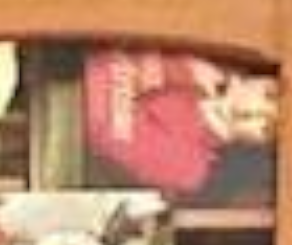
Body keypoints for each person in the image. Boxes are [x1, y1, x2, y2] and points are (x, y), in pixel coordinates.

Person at [84, 48, 279, 202]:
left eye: (269, 127)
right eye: (270, 94)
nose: (257, 112)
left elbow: (103, 128)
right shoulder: (212, 54)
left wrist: (174, 69)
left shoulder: (190, 165)